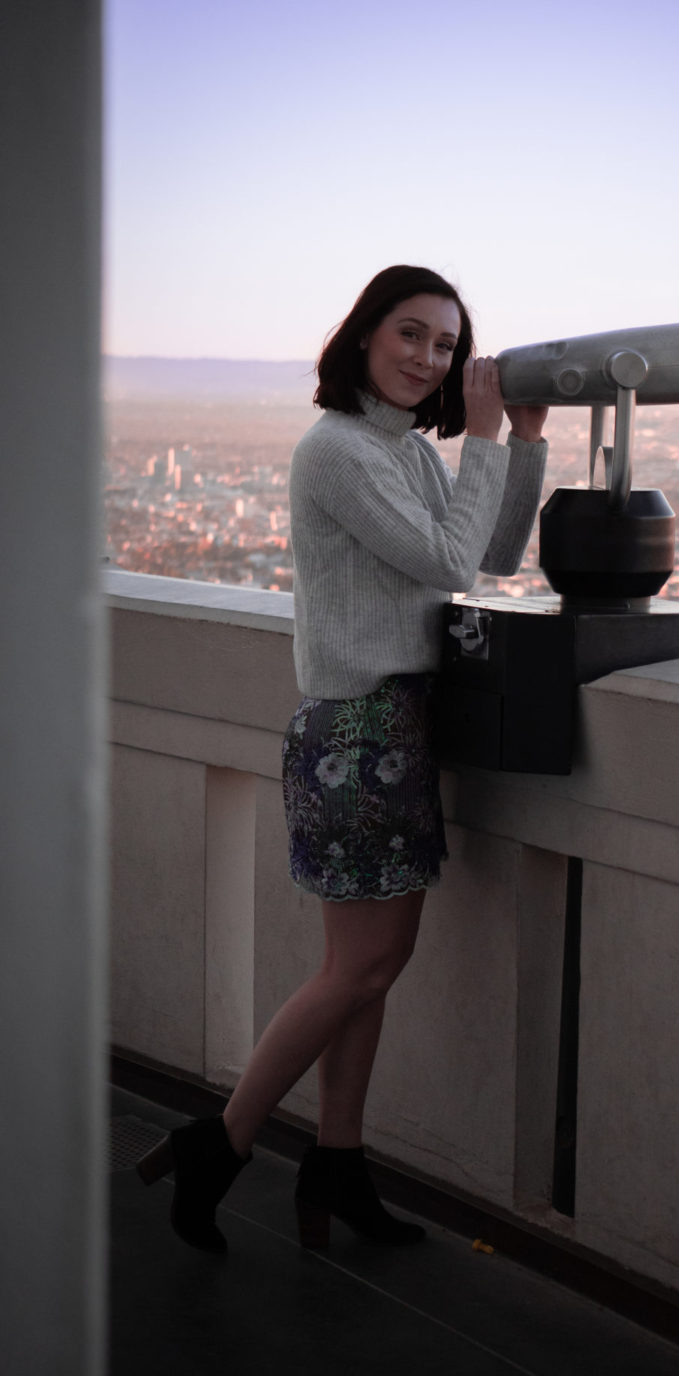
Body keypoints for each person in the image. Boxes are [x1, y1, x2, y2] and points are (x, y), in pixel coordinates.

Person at [137, 265, 548, 1253]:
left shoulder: (400, 453)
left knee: (369, 970)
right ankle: (222, 1143)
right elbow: (453, 566)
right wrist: (485, 439)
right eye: (410, 334)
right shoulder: (338, 451)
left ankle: (337, 1166)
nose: (428, 358)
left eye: (446, 346)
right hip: (357, 734)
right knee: (355, 970)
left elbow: (487, 551)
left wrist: (523, 442)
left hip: (392, 730)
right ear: (363, 336)